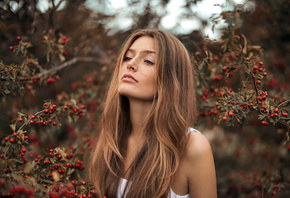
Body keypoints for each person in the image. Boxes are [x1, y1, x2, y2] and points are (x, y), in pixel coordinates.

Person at [89, 29, 217, 198]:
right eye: (127, 57)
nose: (130, 64)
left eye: (148, 61)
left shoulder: (192, 147)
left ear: (171, 79)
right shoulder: (112, 139)